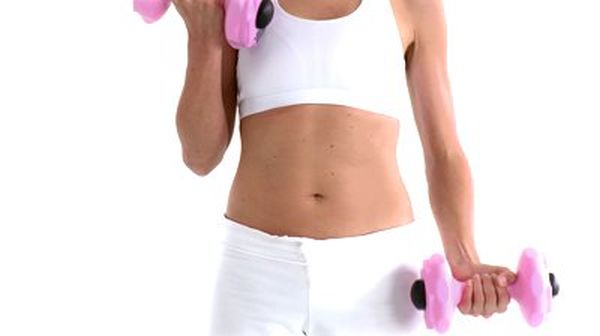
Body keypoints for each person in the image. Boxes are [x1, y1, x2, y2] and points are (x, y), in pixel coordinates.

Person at [172, 0, 518, 334]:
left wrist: (465, 256)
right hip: (256, 270)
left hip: (377, 277)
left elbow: (443, 151)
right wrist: (203, 37)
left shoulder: (413, 5)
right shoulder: (236, 5)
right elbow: (200, 157)